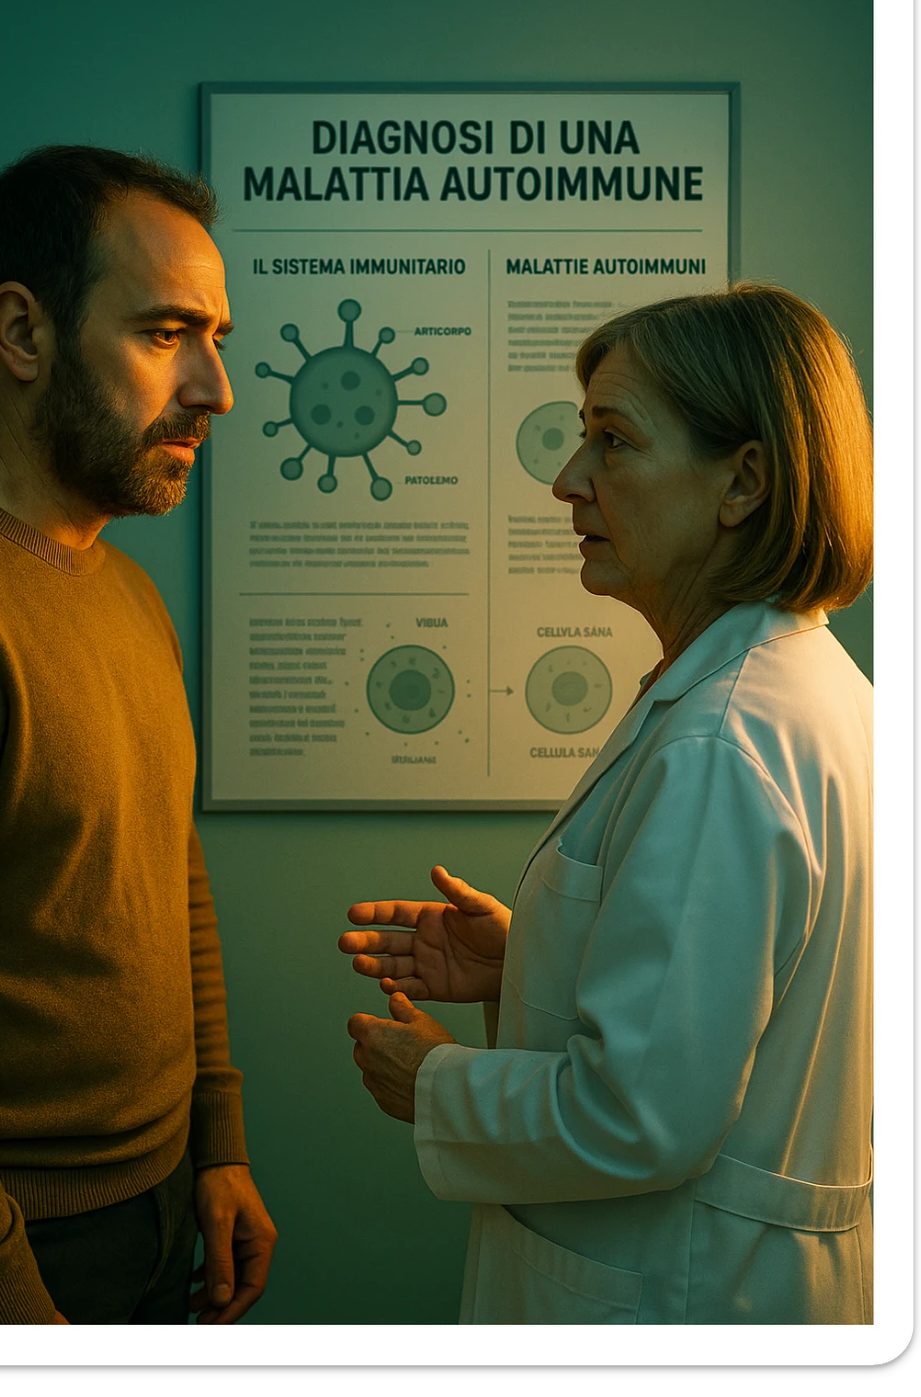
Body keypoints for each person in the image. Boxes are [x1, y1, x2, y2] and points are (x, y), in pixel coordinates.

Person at [341, 283, 873, 1325]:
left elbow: (639, 1115)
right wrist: (535, 953)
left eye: (613, 442)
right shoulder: (793, 689)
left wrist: (436, 1081)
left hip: (681, 1295)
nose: (566, 480)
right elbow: (731, 1002)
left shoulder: (725, 740)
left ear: (743, 483)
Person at [0, 145, 276, 1325]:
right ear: (23, 335)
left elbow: (166, 872)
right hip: (10, 1242)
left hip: (161, 1198)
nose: (216, 389)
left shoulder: (125, 590)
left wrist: (216, 1143)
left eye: (216, 339)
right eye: (165, 334)